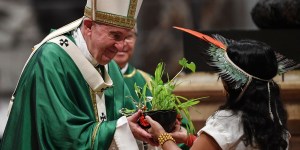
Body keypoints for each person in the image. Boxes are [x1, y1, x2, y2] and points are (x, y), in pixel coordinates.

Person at [0, 0, 158, 149]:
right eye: (115, 36)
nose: (121, 47)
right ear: (89, 26)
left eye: (126, 37)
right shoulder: (52, 60)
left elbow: (126, 115)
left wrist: (146, 126)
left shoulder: (110, 66)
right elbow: (60, 135)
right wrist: (118, 129)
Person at [144, 27, 300, 150]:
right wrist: (188, 139)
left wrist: (162, 135)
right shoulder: (274, 120)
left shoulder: (228, 121)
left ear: (231, 83)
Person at [113, 26, 152, 105]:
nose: (122, 45)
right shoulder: (95, 78)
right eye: (116, 36)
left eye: (128, 37)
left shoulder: (148, 81)